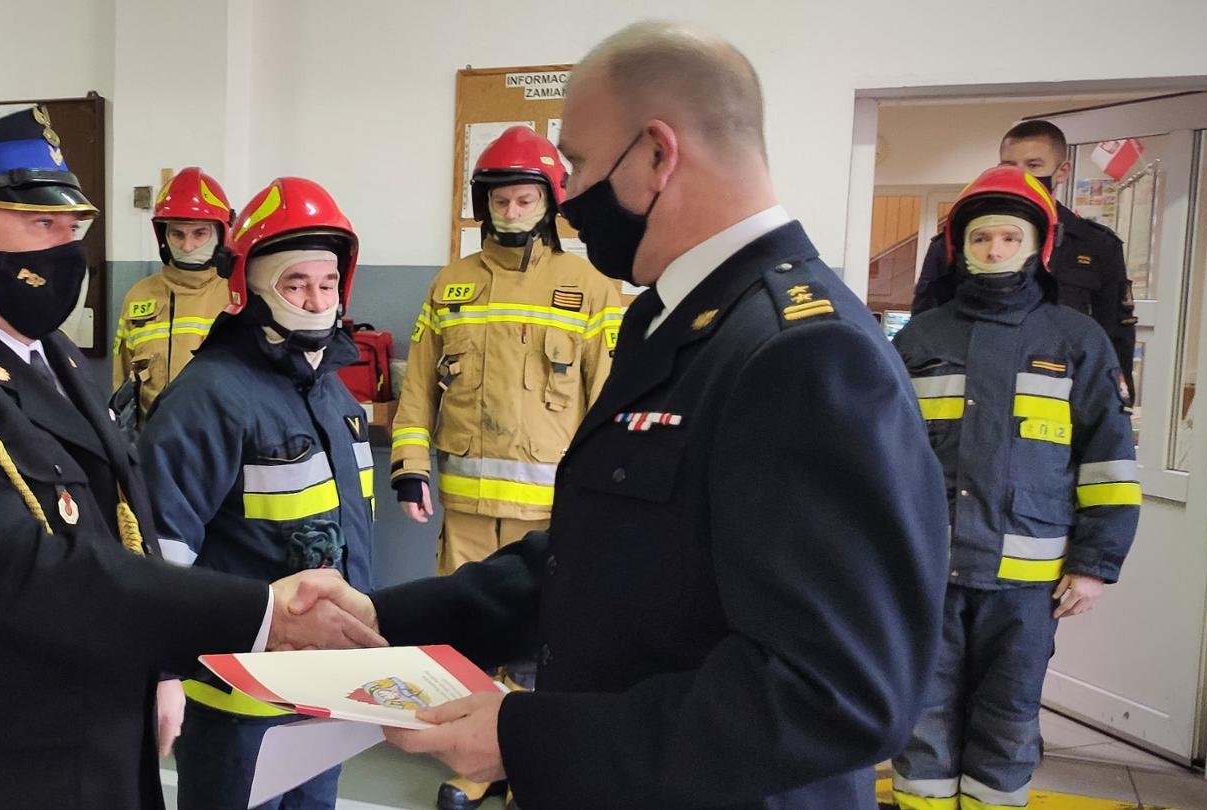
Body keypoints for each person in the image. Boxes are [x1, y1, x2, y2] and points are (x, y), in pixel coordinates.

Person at [286, 22, 949, 808]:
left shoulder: (801, 352)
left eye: (577, 165)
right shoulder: (668, 320)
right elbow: (591, 560)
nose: (566, 198)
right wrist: (382, 616)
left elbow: (834, 693)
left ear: (658, 154)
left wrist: (524, 737)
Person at [0, 108, 384, 810]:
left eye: (73, 227)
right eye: (44, 226)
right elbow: (35, 573)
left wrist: (161, 666)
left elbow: (125, 522)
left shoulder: (46, 352)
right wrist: (264, 612)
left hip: (85, 743)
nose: (69, 250)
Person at [889, 166, 1140, 810]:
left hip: (1029, 583)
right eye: (981, 238)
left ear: (1037, 247)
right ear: (960, 248)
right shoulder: (919, 339)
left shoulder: (1077, 340)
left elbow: (1109, 462)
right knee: (924, 712)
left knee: (1008, 716)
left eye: (1009, 237)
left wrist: (1094, 565)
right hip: (930, 572)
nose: (995, 250)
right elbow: (885, 461)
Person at [138, 177, 376, 810]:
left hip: (322, 690)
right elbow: (160, 551)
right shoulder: (208, 397)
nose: (316, 300)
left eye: (327, 283)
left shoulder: (334, 396)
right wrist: (161, 673)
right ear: (254, 288)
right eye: (296, 284)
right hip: (236, 705)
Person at [390, 126, 622, 582]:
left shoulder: (590, 287)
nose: (511, 212)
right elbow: (418, 388)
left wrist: (604, 492)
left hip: (551, 513)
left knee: (539, 621)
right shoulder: (450, 284)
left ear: (550, 202)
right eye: (500, 201)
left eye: (524, 201)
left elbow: (607, 401)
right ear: (485, 205)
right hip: (465, 511)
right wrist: (410, 469)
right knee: (461, 619)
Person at [912, 119, 1135, 388]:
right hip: (971, 377)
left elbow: (1115, 334)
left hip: (1065, 386)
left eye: (1033, 165)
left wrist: (1117, 398)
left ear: (1062, 171)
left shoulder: (1096, 244)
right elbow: (925, 323)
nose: (1021, 175)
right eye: (1009, 166)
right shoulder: (956, 241)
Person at [111, 167, 234, 435]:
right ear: (164, 236)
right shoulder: (139, 295)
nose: (187, 246)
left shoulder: (236, 294)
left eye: (199, 233)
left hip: (219, 443)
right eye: (178, 234)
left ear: (219, 234)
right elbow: (122, 379)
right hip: (150, 442)